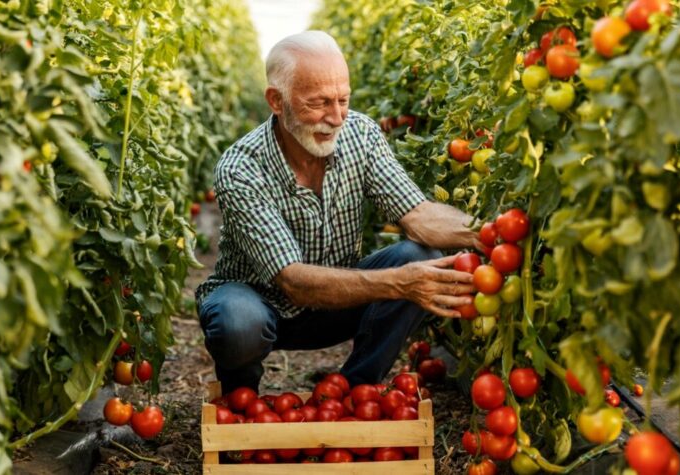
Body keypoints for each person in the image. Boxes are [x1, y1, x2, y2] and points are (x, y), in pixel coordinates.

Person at [195, 31, 481, 393]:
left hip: (339, 301)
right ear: (276, 101)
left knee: (421, 256)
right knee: (237, 320)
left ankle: (352, 391)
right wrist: (399, 282)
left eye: (343, 100)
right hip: (261, 304)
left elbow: (418, 216)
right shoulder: (241, 168)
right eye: (319, 103)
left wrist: (486, 232)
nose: (336, 117)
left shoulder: (360, 134)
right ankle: (240, 399)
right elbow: (293, 282)